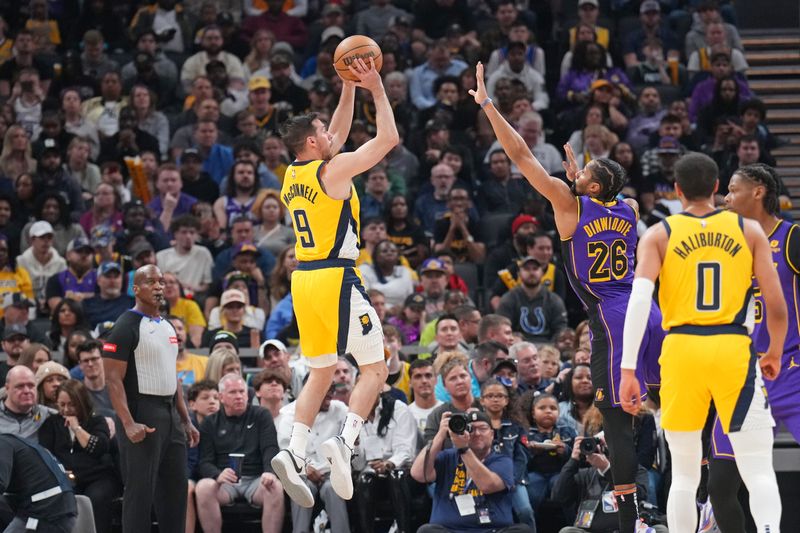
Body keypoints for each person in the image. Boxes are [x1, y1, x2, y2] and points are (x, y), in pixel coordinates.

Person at [470, 61, 663, 533]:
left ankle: (631, 521)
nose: (571, 169)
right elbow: (608, 199)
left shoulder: (565, 202)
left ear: (591, 186)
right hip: (649, 310)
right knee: (667, 402)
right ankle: (700, 488)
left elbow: (521, 154)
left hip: (612, 318)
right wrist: (586, 183)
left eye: (583, 171)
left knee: (616, 420)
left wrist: (488, 104)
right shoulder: (628, 206)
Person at [619, 153, 786, 533]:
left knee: (683, 473)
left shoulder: (658, 234)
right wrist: (774, 351)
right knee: (758, 468)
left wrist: (628, 369)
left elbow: (639, 303)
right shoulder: (749, 230)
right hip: (732, 346)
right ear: (716, 187)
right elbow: (776, 306)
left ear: (677, 190)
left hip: (681, 349)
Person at [270, 57, 399, 508]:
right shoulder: (334, 170)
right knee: (376, 368)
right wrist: (376, 88)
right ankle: (344, 444)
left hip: (303, 281)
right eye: (322, 132)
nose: (331, 134)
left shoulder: (294, 173)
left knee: (322, 370)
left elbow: (338, 135)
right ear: (312, 140)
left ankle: (293, 450)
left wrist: (348, 86)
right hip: (336, 277)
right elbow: (388, 139)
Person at [102, 265, 200, 533]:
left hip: (170, 414)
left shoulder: (167, 326)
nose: (158, 286)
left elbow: (172, 375)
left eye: (161, 281)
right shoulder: (124, 326)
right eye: (150, 282)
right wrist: (128, 423)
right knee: (140, 492)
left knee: (176, 491)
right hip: (141, 412)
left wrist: (185, 419)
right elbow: (112, 379)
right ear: (135, 289)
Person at [411, 409, 532, 533]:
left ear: (492, 434)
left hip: (493, 530)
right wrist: (440, 435)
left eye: (483, 428)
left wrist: (464, 450)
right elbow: (418, 474)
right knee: (426, 530)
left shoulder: (502, 461)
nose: (477, 433)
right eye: (471, 429)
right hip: (450, 530)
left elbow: (487, 485)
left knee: (522, 530)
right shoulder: (447, 457)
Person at [195, 373, 284, 533]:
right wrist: (217, 475)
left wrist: (270, 472)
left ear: (248, 394)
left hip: (256, 479)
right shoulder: (209, 423)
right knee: (203, 487)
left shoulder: (261, 415)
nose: (238, 396)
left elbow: (270, 448)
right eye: (232, 392)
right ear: (221, 397)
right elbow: (204, 461)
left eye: (242, 391)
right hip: (225, 482)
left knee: (275, 487)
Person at [38, 379, 120, 533]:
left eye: (72, 404)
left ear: (82, 402)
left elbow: (98, 448)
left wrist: (76, 428)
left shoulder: (96, 421)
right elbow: (45, 454)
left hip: (97, 478)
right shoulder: (51, 424)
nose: (66, 410)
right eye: (62, 404)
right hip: (64, 479)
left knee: (96, 498)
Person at [0, 433, 77, 532]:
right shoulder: (15, 442)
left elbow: (1, 483)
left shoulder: (3, 444)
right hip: (58, 510)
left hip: (46, 514)